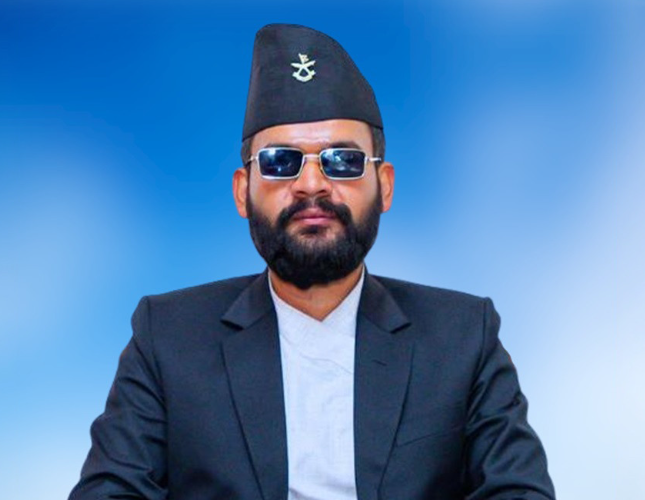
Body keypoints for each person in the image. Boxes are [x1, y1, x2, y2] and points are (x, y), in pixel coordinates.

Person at [69, 23, 556, 500]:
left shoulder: (462, 336)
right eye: (281, 162)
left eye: (342, 161)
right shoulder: (168, 336)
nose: (311, 185)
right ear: (243, 191)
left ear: (384, 185)